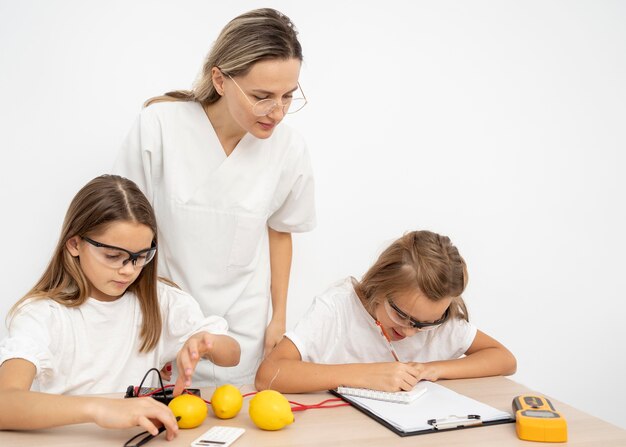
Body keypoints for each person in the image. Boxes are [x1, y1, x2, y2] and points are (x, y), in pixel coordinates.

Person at [113, 8, 316, 386]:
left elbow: (280, 231)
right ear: (220, 80)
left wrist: (279, 318)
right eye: (262, 96)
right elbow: (120, 227)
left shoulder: (288, 149)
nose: (277, 112)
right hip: (159, 319)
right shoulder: (160, 127)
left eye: (288, 96)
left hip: (239, 333)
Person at [0, 175, 240, 438]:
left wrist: (205, 342)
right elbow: (4, 403)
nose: (128, 270)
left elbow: (232, 354)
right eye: (114, 256)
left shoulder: (163, 301)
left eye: (140, 257)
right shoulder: (42, 314)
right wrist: (100, 408)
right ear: (74, 244)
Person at [255, 230, 517, 393]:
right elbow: (268, 374)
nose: (410, 331)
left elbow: (505, 360)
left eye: (424, 324)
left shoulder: (440, 323)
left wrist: (432, 368)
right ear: (380, 284)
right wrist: (365, 374)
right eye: (400, 315)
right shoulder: (337, 309)